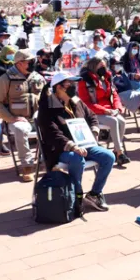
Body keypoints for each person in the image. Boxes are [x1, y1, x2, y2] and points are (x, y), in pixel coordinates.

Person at [37, 71, 115, 212]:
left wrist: (94, 132)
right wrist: (73, 147)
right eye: (69, 83)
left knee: (109, 157)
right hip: (61, 150)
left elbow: (92, 116)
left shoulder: (76, 101)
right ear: (59, 87)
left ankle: (95, 194)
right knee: (77, 159)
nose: (74, 86)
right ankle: (76, 196)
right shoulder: (47, 107)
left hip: (85, 144)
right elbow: (52, 134)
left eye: (74, 83)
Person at [0, 49, 44, 182]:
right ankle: (27, 166)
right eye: (29, 62)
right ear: (19, 63)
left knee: (53, 125)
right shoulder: (5, 79)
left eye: (33, 61)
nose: (33, 63)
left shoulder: (38, 77)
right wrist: (10, 118)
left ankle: (48, 160)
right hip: (16, 118)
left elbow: (46, 98)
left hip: (37, 116)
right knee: (21, 129)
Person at [77, 56, 131, 166]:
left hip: (110, 110)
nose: (104, 68)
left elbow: (114, 95)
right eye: (101, 66)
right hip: (93, 112)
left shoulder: (106, 78)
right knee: (114, 121)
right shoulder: (85, 81)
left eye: (104, 66)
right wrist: (104, 110)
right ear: (93, 67)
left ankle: (116, 151)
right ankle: (120, 152)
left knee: (122, 121)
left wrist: (117, 108)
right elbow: (85, 103)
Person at [110, 57, 140, 131]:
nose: (118, 65)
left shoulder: (120, 71)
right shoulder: (110, 74)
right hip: (120, 95)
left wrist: (135, 76)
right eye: (116, 64)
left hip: (129, 92)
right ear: (112, 65)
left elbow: (128, 75)